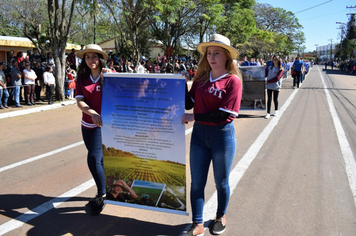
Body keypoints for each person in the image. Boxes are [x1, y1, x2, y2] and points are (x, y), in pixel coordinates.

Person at [181, 34, 242, 236]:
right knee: (197, 182)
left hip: (222, 136)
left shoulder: (233, 81)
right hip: (199, 135)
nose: (212, 57)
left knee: (221, 182)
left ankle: (220, 216)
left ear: (227, 57)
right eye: (209, 53)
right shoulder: (200, 79)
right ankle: (197, 223)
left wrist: (194, 116)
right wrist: (181, 85)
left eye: (217, 53)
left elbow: (224, 115)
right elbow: (189, 103)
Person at [75, 44, 112, 215]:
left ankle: (102, 194)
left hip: (102, 126)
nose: (91, 60)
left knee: (93, 159)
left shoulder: (109, 76)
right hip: (87, 125)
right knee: (99, 160)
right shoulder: (82, 77)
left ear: (100, 58)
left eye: (94, 56)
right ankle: (107, 190)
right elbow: (80, 102)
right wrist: (92, 113)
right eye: (88, 57)